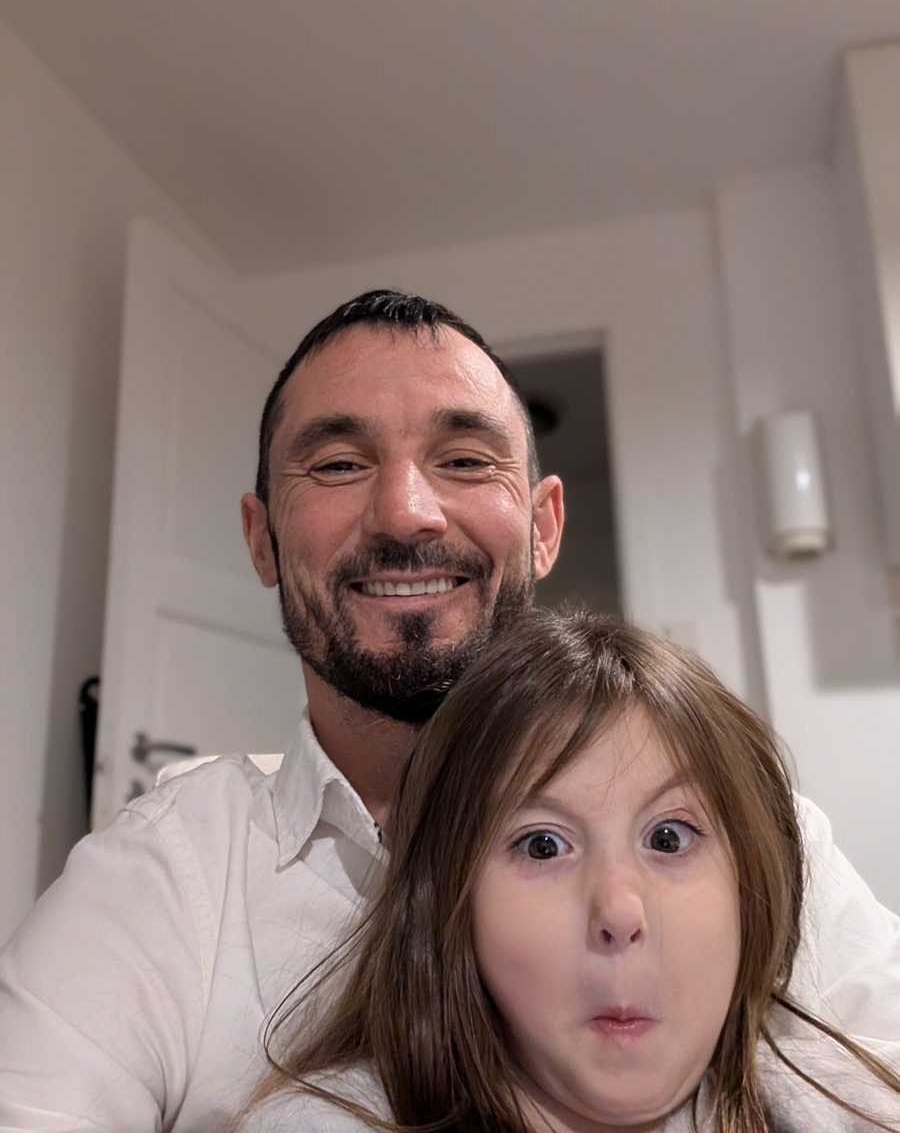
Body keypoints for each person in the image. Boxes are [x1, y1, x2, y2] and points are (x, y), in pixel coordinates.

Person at [0, 289, 896, 1132]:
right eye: (339, 465)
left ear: (544, 527)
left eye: (465, 461)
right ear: (260, 539)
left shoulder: (751, 834)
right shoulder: (166, 878)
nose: (406, 513)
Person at [245, 610, 900, 1133]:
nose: (619, 910)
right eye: (542, 846)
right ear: (451, 906)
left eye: (668, 838)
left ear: (752, 894)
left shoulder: (851, 1106)